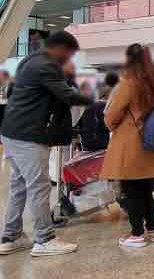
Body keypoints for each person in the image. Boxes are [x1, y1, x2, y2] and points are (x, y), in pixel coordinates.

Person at [0, 31, 92, 257]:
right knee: (39, 187)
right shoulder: (46, 65)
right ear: (60, 48)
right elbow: (67, 96)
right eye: (68, 54)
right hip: (28, 135)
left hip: (11, 132)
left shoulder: (30, 60)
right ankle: (45, 239)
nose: (69, 59)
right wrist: (93, 98)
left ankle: (11, 236)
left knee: (19, 185)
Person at [100, 43, 154, 248]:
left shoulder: (129, 82)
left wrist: (114, 124)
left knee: (131, 189)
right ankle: (153, 228)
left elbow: (112, 116)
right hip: (153, 141)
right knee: (145, 188)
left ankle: (137, 234)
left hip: (132, 143)